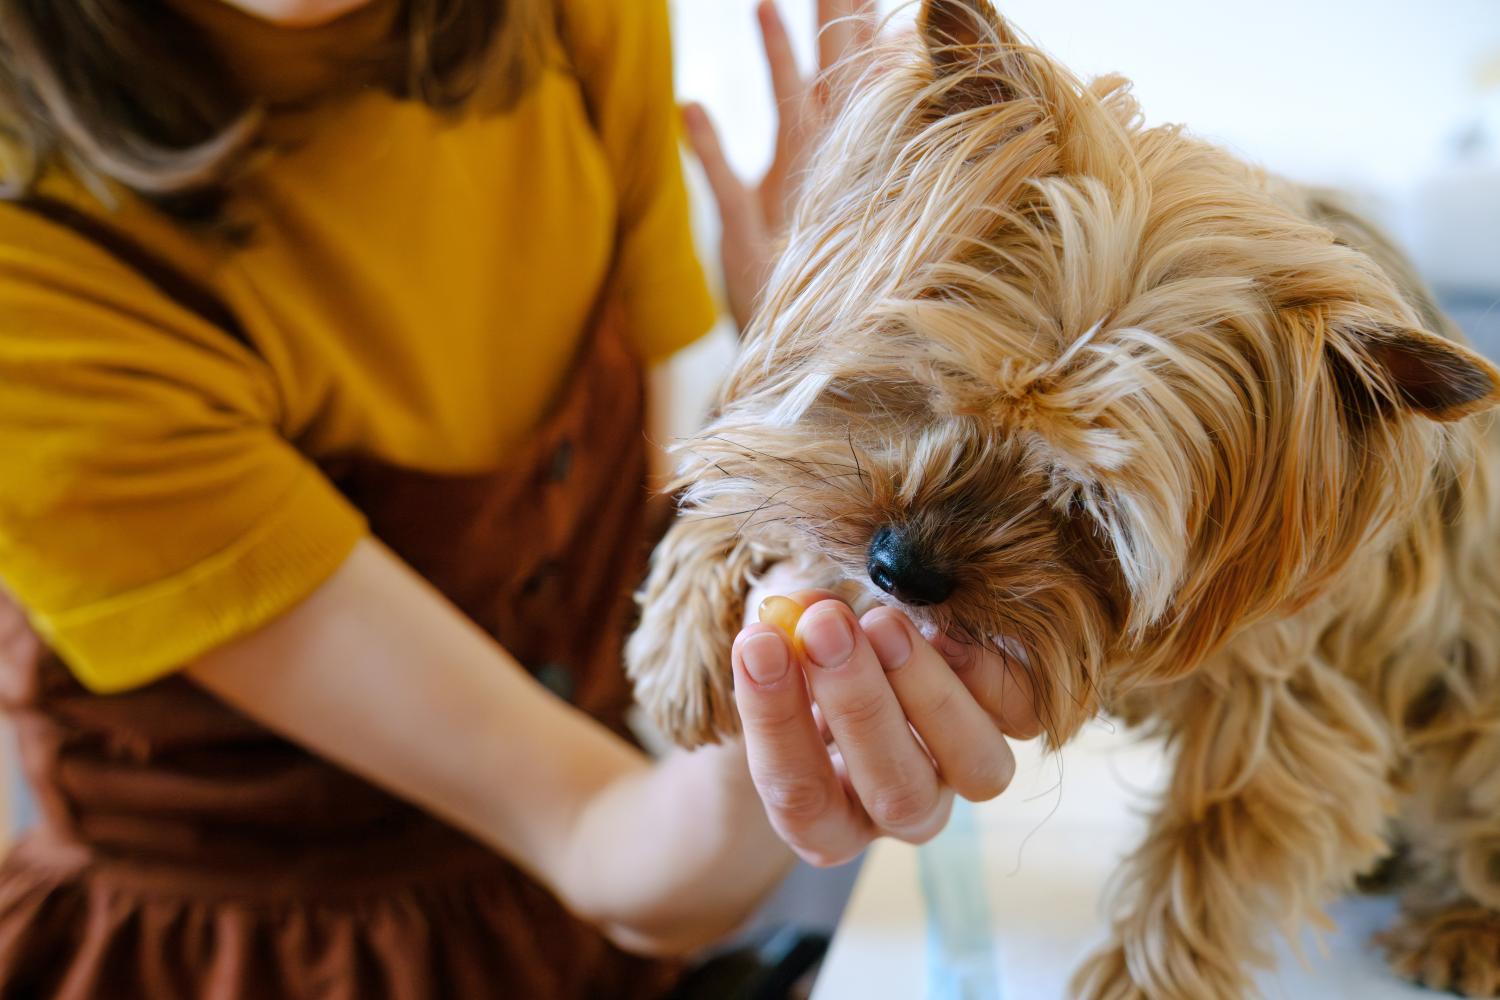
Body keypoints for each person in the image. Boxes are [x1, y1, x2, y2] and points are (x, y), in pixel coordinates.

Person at [0, 0, 1039, 996]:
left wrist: (813, 396)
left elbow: (630, 578)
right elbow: (597, 833)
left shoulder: (567, 23)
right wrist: (795, 710)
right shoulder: (30, 277)